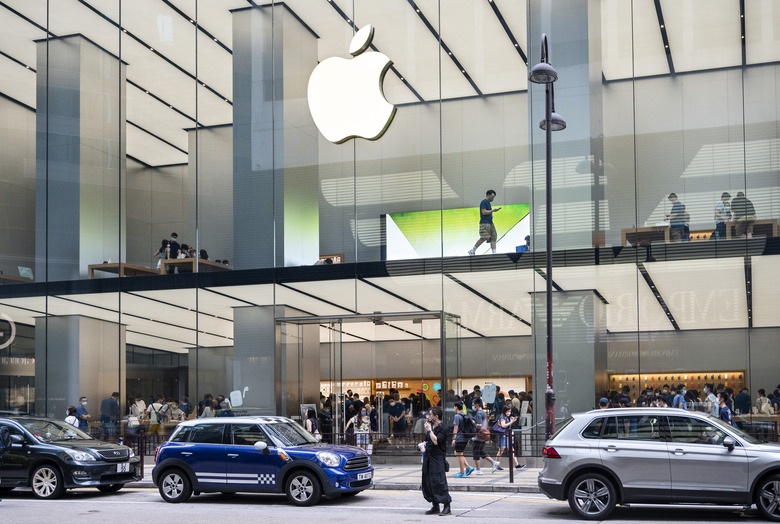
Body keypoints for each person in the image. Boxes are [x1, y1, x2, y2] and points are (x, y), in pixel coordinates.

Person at [421, 406, 452, 516]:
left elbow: (436, 441)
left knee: (439, 481)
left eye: (430, 414)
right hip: (428, 457)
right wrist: (423, 445)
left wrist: (429, 430)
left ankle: (447, 506)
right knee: (428, 481)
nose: (428, 416)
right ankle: (435, 505)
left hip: (438, 458)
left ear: (436, 416)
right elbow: (428, 440)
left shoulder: (443, 428)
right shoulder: (431, 426)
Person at [468, 190, 502, 255]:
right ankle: (472, 250)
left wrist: (492, 212)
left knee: (493, 238)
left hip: (490, 223)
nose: (493, 198)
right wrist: (493, 210)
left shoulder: (488, 203)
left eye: (493, 197)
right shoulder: (484, 202)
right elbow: (483, 212)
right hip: (485, 223)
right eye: (492, 197)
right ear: (488, 195)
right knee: (484, 237)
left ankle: (494, 253)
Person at [470, 399, 498, 474]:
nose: (473, 407)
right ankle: (493, 462)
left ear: (477, 405)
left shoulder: (479, 413)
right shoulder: (483, 413)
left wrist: (472, 424)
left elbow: (479, 425)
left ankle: (478, 469)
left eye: (473, 405)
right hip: (483, 435)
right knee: (481, 452)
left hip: (479, 436)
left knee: (476, 453)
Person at [494, 404, 522, 470]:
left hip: (506, 436)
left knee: (511, 450)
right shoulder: (502, 417)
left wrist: (512, 421)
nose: (509, 413)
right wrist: (511, 422)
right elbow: (503, 425)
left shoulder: (505, 417)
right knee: (501, 450)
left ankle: (517, 465)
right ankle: (496, 464)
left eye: (510, 411)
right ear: (505, 411)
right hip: (503, 436)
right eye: (508, 411)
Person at [451, 401, 474, 478]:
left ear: (456, 407)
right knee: (457, 452)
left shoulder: (457, 416)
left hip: (460, 437)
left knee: (459, 454)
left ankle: (462, 472)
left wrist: (453, 439)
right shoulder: (464, 414)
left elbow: (455, 428)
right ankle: (468, 467)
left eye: (454, 407)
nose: (453, 408)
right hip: (465, 437)